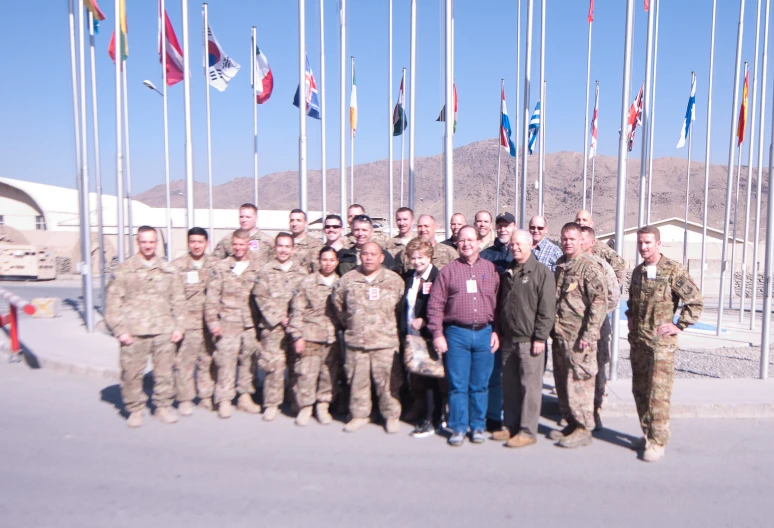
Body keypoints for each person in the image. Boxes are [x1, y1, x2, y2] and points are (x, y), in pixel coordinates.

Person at [627, 226, 703, 462]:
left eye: (648, 242)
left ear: (658, 244)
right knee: (640, 390)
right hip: (639, 342)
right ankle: (648, 433)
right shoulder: (638, 271)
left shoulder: (672, 270)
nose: (643, 247)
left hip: (660, 344)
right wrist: (630, 318)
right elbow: (632, 301)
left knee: (658, 394)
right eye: (640, 242)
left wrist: (679, 326)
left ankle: (658, 442)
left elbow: (695, 302)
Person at [427, 226, 500, 447]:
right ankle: (458, 427)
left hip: (484, 333)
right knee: (458, 385)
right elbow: (435, 305)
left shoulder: (491, 269)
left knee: (480, 384)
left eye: (471, 240)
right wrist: (437, 333)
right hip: (456, 334)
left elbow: (499, 305)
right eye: (462, 240)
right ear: (456, 244)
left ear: (479, 242)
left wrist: (497, 330)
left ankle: (477, 426)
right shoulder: (448, 271)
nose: (467, 244)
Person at [105, 226, 185, 428]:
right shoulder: (124, 270)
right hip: (134, 332)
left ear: (156, 243)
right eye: (144, 242)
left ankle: (163, 407)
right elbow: (113, 302)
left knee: (165, 373)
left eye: (151, 242)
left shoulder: (169, 270)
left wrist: (179, 326)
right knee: (131, 374)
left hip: (163, 330)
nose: (148, 245)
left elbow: (178, 300)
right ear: (137, 242)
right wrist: (120, 330)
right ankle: (135, 410)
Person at [332, 242, 405, 434]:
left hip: (385, 342)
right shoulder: (347, 280)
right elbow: (339, 307)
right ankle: (359, 415)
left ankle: (391, 416)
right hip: (357, 341)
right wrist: (354, 324)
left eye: (374, 254)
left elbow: (400, 309)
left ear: (382, 257)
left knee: (388, 384)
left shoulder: (394, 280)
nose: (369, 257)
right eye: (365, 254)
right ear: (360, 256)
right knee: (358, 381)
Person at [492, 230, 555, 447]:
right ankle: (510, 426)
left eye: (519, 243)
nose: (515, 247)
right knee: (510, 386)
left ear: (530, 244)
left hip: (530, 340)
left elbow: (547, 309)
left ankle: (527, 431)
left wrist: (540, 337)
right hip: (509, 339)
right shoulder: (509, 271)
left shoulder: (541, 273)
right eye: (512, 244)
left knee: (530, 387)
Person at [549, 222, 607, 448]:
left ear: (580, 241)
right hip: (561, 335)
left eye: (572, 239)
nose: (567, 242)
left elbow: (599, 304)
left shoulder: (589, 267)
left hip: (580, 339)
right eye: (564, 238)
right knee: (563, 383)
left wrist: (589, 335)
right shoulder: (561, 264)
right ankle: (572, 423)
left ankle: (584, 428)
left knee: (580, 384)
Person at [204, 229, 264, 419]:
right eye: (235, 244)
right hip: (228, 321)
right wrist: (213, 322)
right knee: (226, 362)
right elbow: (212, 298)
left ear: (248, 244)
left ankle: (244, 397)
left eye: (242, 244)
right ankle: (224, 399)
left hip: (250, 323)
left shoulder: (259, 267)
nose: (238, 248)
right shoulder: (222, 268)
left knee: (248, 362)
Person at [252, 233, 309, 421]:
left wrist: (294, 321)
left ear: (293, 249)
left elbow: (305, 301)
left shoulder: (301, 274)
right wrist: (279, 318)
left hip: (295, 327)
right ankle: (272, 404)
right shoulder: (265, 271)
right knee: (273, 366)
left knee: (296, 366)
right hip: (273, 327)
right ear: (275, 248)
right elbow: (261, 297)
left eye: (287, 247)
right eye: (280, 246)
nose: (283, 250)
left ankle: (295, 402)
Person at [288, 246, 341, 426]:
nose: (328, 263)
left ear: (337, 262)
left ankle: (323, 405)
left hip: (331, 337)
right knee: (306, 374)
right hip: (309, 335)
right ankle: (306, 407)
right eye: (324, 259)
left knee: (328, 374)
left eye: (332, 260)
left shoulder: (341, 283)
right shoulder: (307, 282)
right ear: (319, 261)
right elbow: (297, 310)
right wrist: (297, 336)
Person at [171, 227, 219, 415]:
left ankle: (206, 395)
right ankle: (185, 398)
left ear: (207, 243)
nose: (196, 245)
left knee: (207, 361)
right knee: (184, 362)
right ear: (188, 243)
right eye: (193, 241)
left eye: (200, 241)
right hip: (188, 324)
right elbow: (173, 296)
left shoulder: (216, 265)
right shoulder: (177, 266)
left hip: (209, 323)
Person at [399, 238, 443, 438]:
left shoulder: (437, 277)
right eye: (413, 258)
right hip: (412, 336)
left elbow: (441, 305)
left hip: (429, 335)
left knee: (432, 380)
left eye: (421, 257)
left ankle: (433, 419)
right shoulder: (410, 278)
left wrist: (425, 320)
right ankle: (425, 413)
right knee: (420, 379)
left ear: (430, 257)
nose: (417, 262)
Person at [580, 225, 621, 430]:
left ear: (591, 242)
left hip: (598, 328)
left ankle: (595, 412)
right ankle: (576, 413)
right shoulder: (568, 264)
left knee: (597, 370)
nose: (577, 242)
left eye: (582, 239)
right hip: (575, 329)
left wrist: (596, 315)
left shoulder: (602, 266)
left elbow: (614, 297)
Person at [480, 212, 516, 432]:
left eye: (507, 225)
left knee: (514, 375)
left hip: (514, 324)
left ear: (513, 227)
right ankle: (493, 417)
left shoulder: (521, 254)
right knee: (492, 374)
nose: (503, 229)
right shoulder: (486, 256)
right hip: (492, 322)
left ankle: (514, 418)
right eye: (500, 225)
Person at [575, 209, 627, 285]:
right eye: (578, 220)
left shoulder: (602, 248)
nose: (581, 222)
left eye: (584, 220)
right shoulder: (571, 246)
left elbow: (620, 265)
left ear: (591, 223)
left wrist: (611, 287)